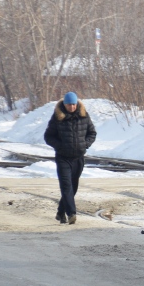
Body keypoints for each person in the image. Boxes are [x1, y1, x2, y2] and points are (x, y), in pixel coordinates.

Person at [43, 91, 97, 225]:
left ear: (77, 104)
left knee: (74, 187)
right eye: (69, 105)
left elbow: (92, 133)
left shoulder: (84, 116)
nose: (71, 107)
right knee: (66, 186)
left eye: (73, 104)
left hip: (78, 157)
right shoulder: (57, 117)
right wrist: (59, 146)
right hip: (63, 158)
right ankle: (71, 213)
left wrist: (85, 144)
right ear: (64, 105)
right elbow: (48, 136)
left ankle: (60, 212)